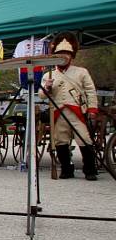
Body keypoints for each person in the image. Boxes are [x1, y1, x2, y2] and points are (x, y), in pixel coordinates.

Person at [39, 31, 99, 180]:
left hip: (77, 111)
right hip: (59, 112)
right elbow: (41, 95)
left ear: (71, 56)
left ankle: (90, 170)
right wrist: (47, 87)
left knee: (85, 139)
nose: (64, 56)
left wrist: (92, 109)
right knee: (60, 141)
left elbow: (90, 91)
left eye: (67, 53)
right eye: (61, 54)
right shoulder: (49, 75)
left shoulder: (81, 72)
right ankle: (66, 169)